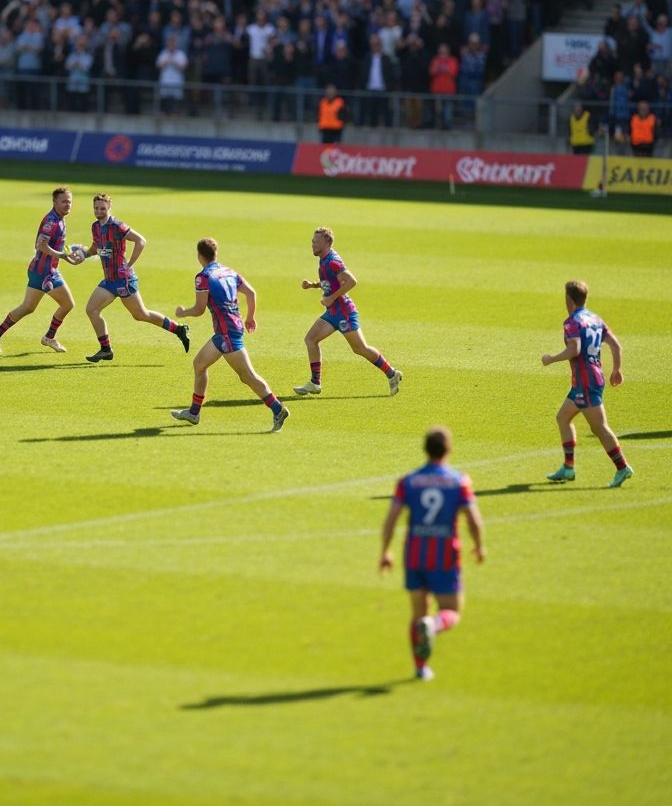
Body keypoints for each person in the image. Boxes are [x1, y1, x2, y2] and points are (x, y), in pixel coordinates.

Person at [379, 426, 486, 681]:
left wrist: (385, 552)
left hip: (414, 555)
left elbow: (391, 519)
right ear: (449, 450)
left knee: (418, 614)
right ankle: (434, 625)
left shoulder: (408, 481)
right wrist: (479, 545)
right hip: (444, 556)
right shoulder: (459, 482)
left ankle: (420, 667)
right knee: (451, 610)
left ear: (425, 450)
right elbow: (473, 520)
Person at [170, 238, 289, 433]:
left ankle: (278, 409)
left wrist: (183, 313)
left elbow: (199, 309)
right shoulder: (229, 272)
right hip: (228, 330)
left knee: (247, 375)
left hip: (226, 333)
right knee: (199, 364)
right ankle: (194, 412)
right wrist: (250, 318)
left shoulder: (203, 277)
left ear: (199, 256)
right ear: (215, 254)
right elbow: (251, 293)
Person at [541, 280, 634, 487]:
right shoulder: (595, 319)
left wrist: (551, 359)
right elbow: (616, 345)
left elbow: (574, 349)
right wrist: (616, 369)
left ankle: (622, 467)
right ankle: (568, 467)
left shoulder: (572, 322)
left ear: (569, 299)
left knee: (599, 428)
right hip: (588, 380)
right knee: (563, 417)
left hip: (586, 382)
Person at [81, 193, 191, 362]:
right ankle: (106, 349)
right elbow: (96, 247)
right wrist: (82, 255)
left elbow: (141, 241)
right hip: (109, 280)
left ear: (109, 208)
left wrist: (130, 264)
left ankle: (178, 329)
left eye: (102, 208)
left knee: (140, 314)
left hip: (123, 280)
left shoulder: (117, 226)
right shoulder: (95, 227)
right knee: (92, 310)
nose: (99, 211)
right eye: (96, 208)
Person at [294, 227, 402, 397]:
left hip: (344, 313)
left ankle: (392, 373)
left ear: (327, 243)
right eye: (312, 241)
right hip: (332, 313)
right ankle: (315, 383)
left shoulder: (332, 261)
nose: (312, 244)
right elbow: (331, 281)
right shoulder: (325, 260)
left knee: (360, 348)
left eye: (316, 241)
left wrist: (331, 298)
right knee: (311, 339)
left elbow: (351, 281)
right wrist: (313, 285)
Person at [0, 187, 80, 355]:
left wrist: (67, 252)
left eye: (69, 201)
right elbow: (40, 245)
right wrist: (62, 255)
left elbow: (52, 244)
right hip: (46, 272)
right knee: (67, 304)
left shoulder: (60, 219)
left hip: (41, 270)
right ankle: (49, 337)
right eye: (64, 201)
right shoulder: (52, 221)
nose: (67, 205)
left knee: (28, 307)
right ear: (54, 202)